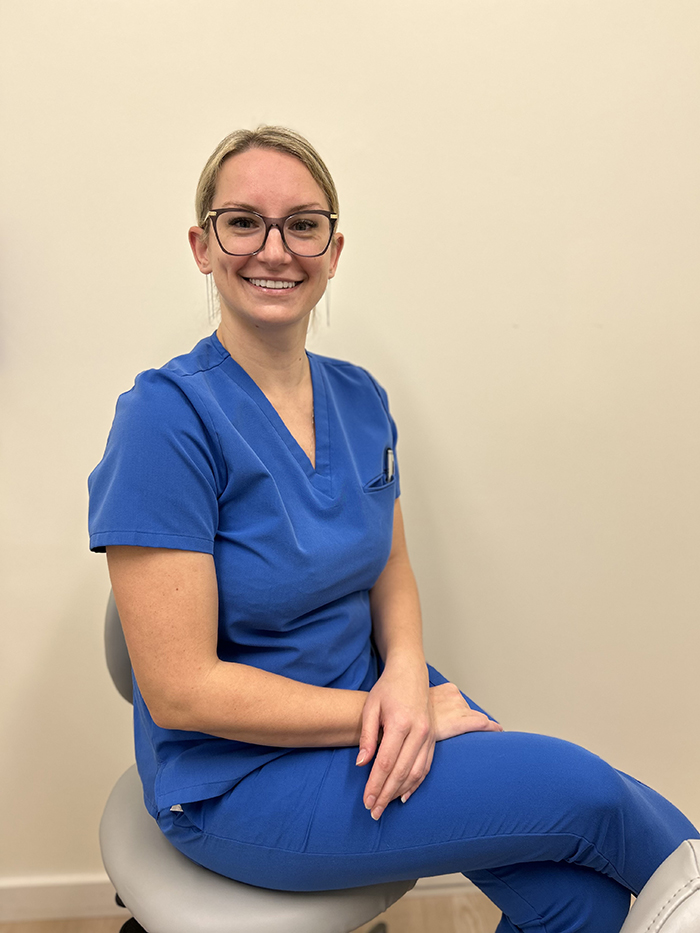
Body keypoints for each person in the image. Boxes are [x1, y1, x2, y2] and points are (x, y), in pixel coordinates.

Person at [89, 126, 699, 933]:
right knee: (589, 795)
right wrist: (388, 712)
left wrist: (406, 671)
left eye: (303, 224)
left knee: (576, 902)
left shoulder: (360, 397)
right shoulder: (163, 421)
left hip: (378, 698)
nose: (275, 247)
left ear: (333, 250)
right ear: (203, 245)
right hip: (239, 777)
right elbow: (178, 688)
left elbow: (391, 568)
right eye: (244, 221)